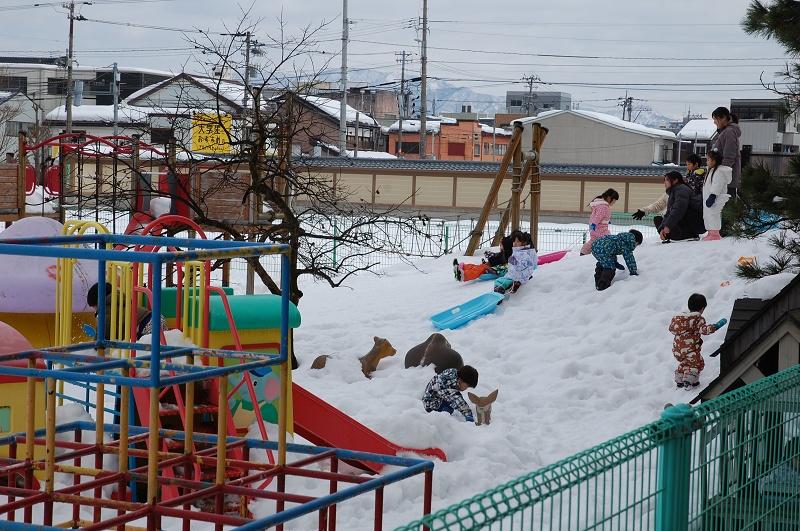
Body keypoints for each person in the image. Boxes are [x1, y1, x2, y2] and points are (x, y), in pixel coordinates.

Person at [668, 293, 727, 389]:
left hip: (677, 350)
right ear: (702, 309)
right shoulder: (697, 319)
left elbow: (671, 329)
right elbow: (704, 330)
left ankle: (679, 379)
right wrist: (716, 326)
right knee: (698, 363)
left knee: (685, 362)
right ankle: (689, 381)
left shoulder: (679, 320)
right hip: (690, 349)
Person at [87, 282, 168, 341]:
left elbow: (105, 330)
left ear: (97, 302)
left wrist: (96, 345)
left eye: (94, 307)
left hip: (147, 325)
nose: (95, 310)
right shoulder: (119, 299)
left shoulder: (107, 309)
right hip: (156, 318)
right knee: (160, 350)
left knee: (148, 352)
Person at [453, 230, 522, 282]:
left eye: (501, 246)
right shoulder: (505, 252)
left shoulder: (509, 256)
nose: (500, 247)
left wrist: (492, 261)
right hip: (493, 266)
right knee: (478, 266)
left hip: (496, 269)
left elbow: (502, 262)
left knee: (481, 267)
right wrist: (492, 255)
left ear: (507, 247)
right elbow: (498, 256)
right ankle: (462, 267)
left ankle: (464, 275)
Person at [657, 171, 705, 243]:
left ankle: (688, 235)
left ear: (675, 180)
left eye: (667, 180)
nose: (665, 182)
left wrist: (668, 226)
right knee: (658, 219)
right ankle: (675, 235)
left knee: (678, 211)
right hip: (690, 221)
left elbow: (679, 209)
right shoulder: (673, 191)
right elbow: (668, 213)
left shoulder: (681, 189)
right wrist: (662, 228)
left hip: (696, 222)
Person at [711, 106, 741, 197]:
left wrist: (719, 175)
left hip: (726, 181)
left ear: (723, 118)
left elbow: (729, 157)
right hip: (724, 179)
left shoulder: (729, 132)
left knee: (724, 203)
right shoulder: (725, 132)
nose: (714, 122)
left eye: (715, 119)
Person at [702, 150, 732, 241]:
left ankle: (715, 233)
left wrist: (713, 195)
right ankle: (710, 232)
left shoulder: (719, 172)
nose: (706, 161)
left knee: (713, 214)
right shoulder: (711, 170)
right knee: (708, 214)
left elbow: (717, 184)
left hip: (715, 198)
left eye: (708, 160)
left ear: (714, 161)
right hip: (708, 197)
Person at [579, 188, 619, 256]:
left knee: (595, 241)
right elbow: (597, 216)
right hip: (599, 228)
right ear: (609, 198)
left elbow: (601, 216)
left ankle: (585, 252)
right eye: (614, 200)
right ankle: (588, 252)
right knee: (606, 240)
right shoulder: (603, 206)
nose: (614, 202)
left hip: (598, 227)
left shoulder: (602, 205)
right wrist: (594, 224)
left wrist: (606, 221)